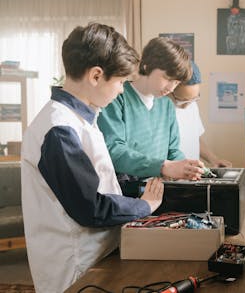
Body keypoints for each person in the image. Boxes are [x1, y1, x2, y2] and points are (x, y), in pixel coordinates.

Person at [21, 23, 164, 293]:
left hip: (95, 255)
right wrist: (144, 206)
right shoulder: (58, 129)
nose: (122, 90)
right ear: (96, 76)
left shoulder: (83, 118)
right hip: (76, 267)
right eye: (121, 82)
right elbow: (90, 207)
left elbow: (97, 181)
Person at [97, 37, 205, 182]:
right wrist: (163, 167)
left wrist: (187, 169)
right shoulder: (117, 98)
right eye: (167, 78)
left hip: (157, 189)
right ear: (147, 66)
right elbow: (115, 151)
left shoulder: (166, 105)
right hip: (124, 190)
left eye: (176, 82)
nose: (171, 88)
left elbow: (173, 152)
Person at [169, 61, 232, 168]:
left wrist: (214, 159)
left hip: (192, 176)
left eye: (193, 99)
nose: (186, 106)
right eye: (181, 100)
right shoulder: (159, 110)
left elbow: (194, 137)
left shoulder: (192, 105)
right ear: (169, 89)